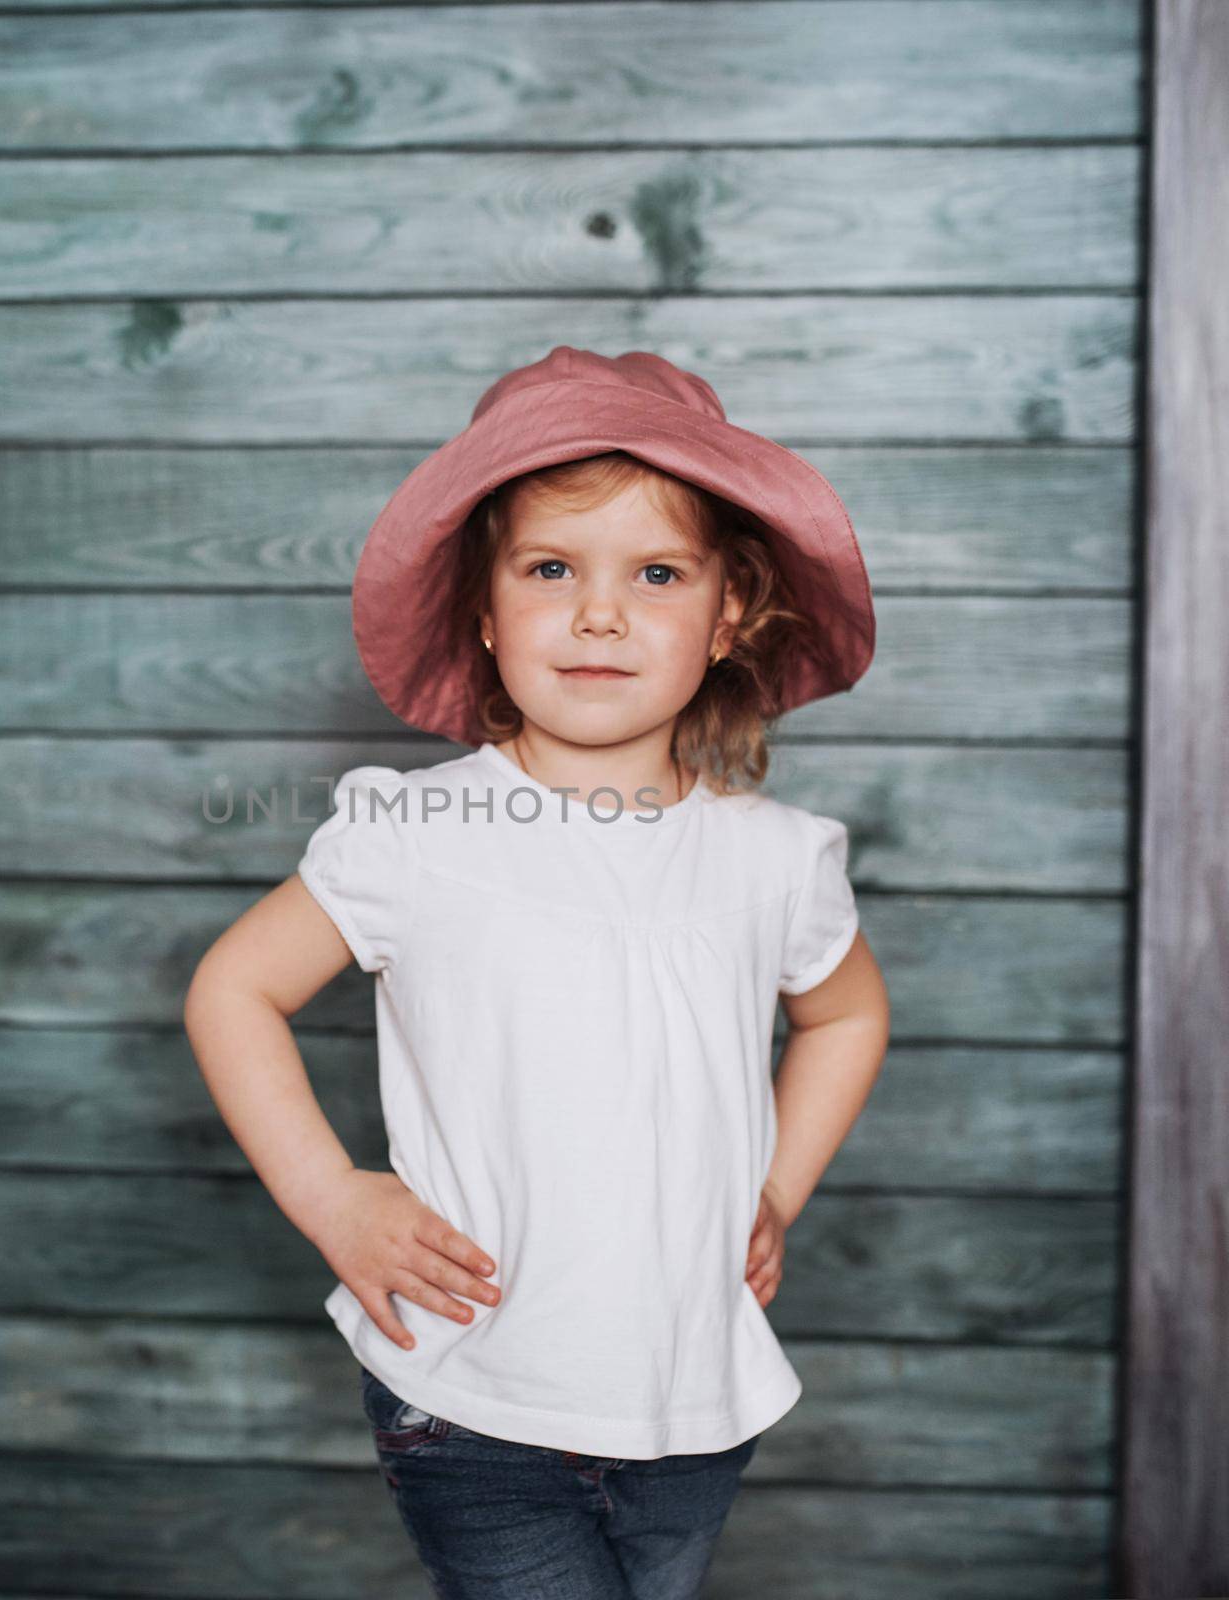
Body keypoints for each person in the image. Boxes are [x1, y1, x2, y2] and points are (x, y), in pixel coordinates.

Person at [184, 345, 892, 1598]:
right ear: (484, 606)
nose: (600, 612)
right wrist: (333, 1198)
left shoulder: (775, 859)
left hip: (692, 1405)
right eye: (552, 569)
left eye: (657, 573)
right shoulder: (413, 834)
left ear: (729, 614)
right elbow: (233, 988)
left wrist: (774, 1186)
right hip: (473, 1395)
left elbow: (844, 1015)